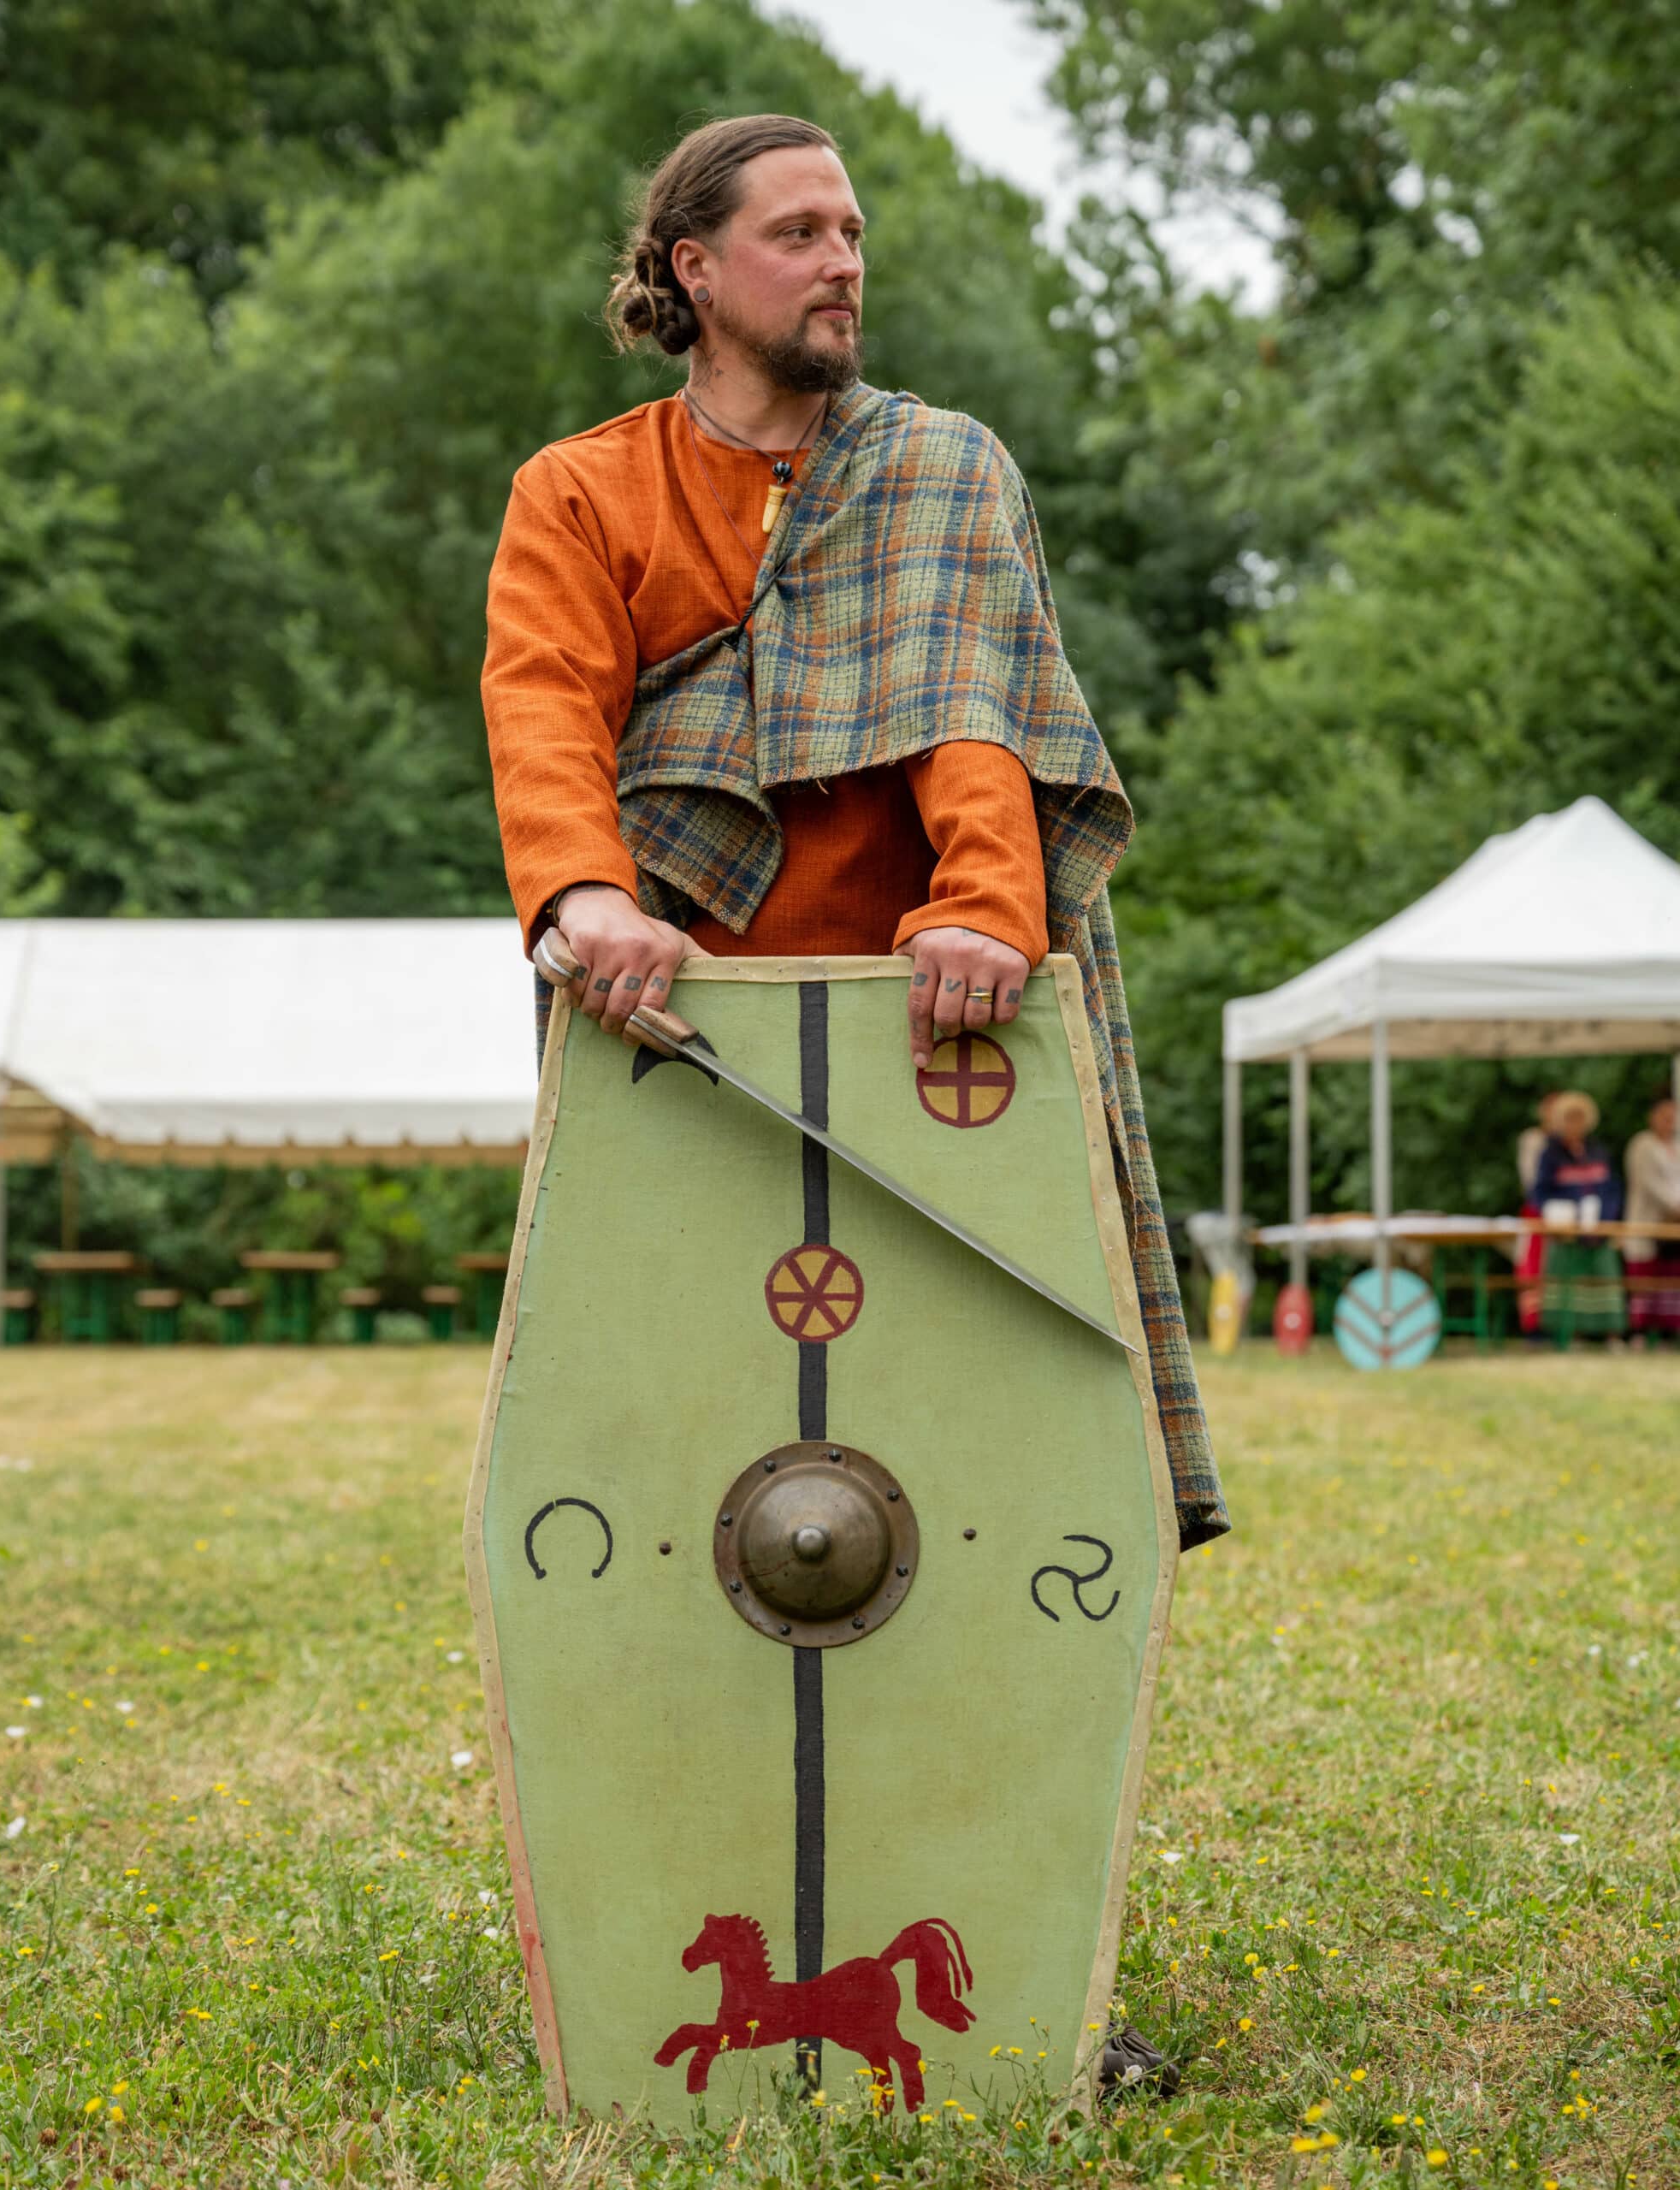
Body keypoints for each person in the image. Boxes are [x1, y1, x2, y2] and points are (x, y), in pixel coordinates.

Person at [480, 113, 1226, 2089]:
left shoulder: (937, 470)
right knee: (698, 1522)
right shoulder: (584, 489)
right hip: (676, 1046)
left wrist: (983, 912)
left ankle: (1017, 1959)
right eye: (796, 229)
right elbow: (548, 698)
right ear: (693, 269)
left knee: (956, 1520)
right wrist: (580, 898)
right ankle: (668, 1950)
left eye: (852, 229)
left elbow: (971, 714)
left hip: (931, 1050)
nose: (841, 260)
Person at [1532, 1092, 1624, 1342]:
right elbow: (1538, 1193)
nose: (1575, 1123)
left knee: (1604, 1277)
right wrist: (1557, 1215)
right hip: (1566, 1231)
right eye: (1570, 1118)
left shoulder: (1598, 1150)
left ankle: (1612, 1333)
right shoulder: (1551, 1153)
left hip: (1598, 1228)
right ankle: (1570, 1333)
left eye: (1579, 1117)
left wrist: (1607, 1217)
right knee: (1567, 1281)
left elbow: (1613, 1189)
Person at [1624, 1092, 1680, 1342]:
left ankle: (1668, 1331)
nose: (1669, 1122)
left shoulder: (1676, 1146)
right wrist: (1676, 1204)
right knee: (1645, 1276)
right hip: (1648, 1220)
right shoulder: (1642, 1145)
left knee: (1669, 1277)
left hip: (1673, 1225)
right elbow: (1649, 1183)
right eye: (1664, 1116)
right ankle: (1640, 1332)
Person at [1514, 1091, 1563, 1335]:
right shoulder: (1533, 1139)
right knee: (1533, 1269)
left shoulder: (1571, 1145)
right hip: (1538, 1212)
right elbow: (1531, 1181)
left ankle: (1560, 1322)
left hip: (1564, 1216)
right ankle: (1534, 1326)